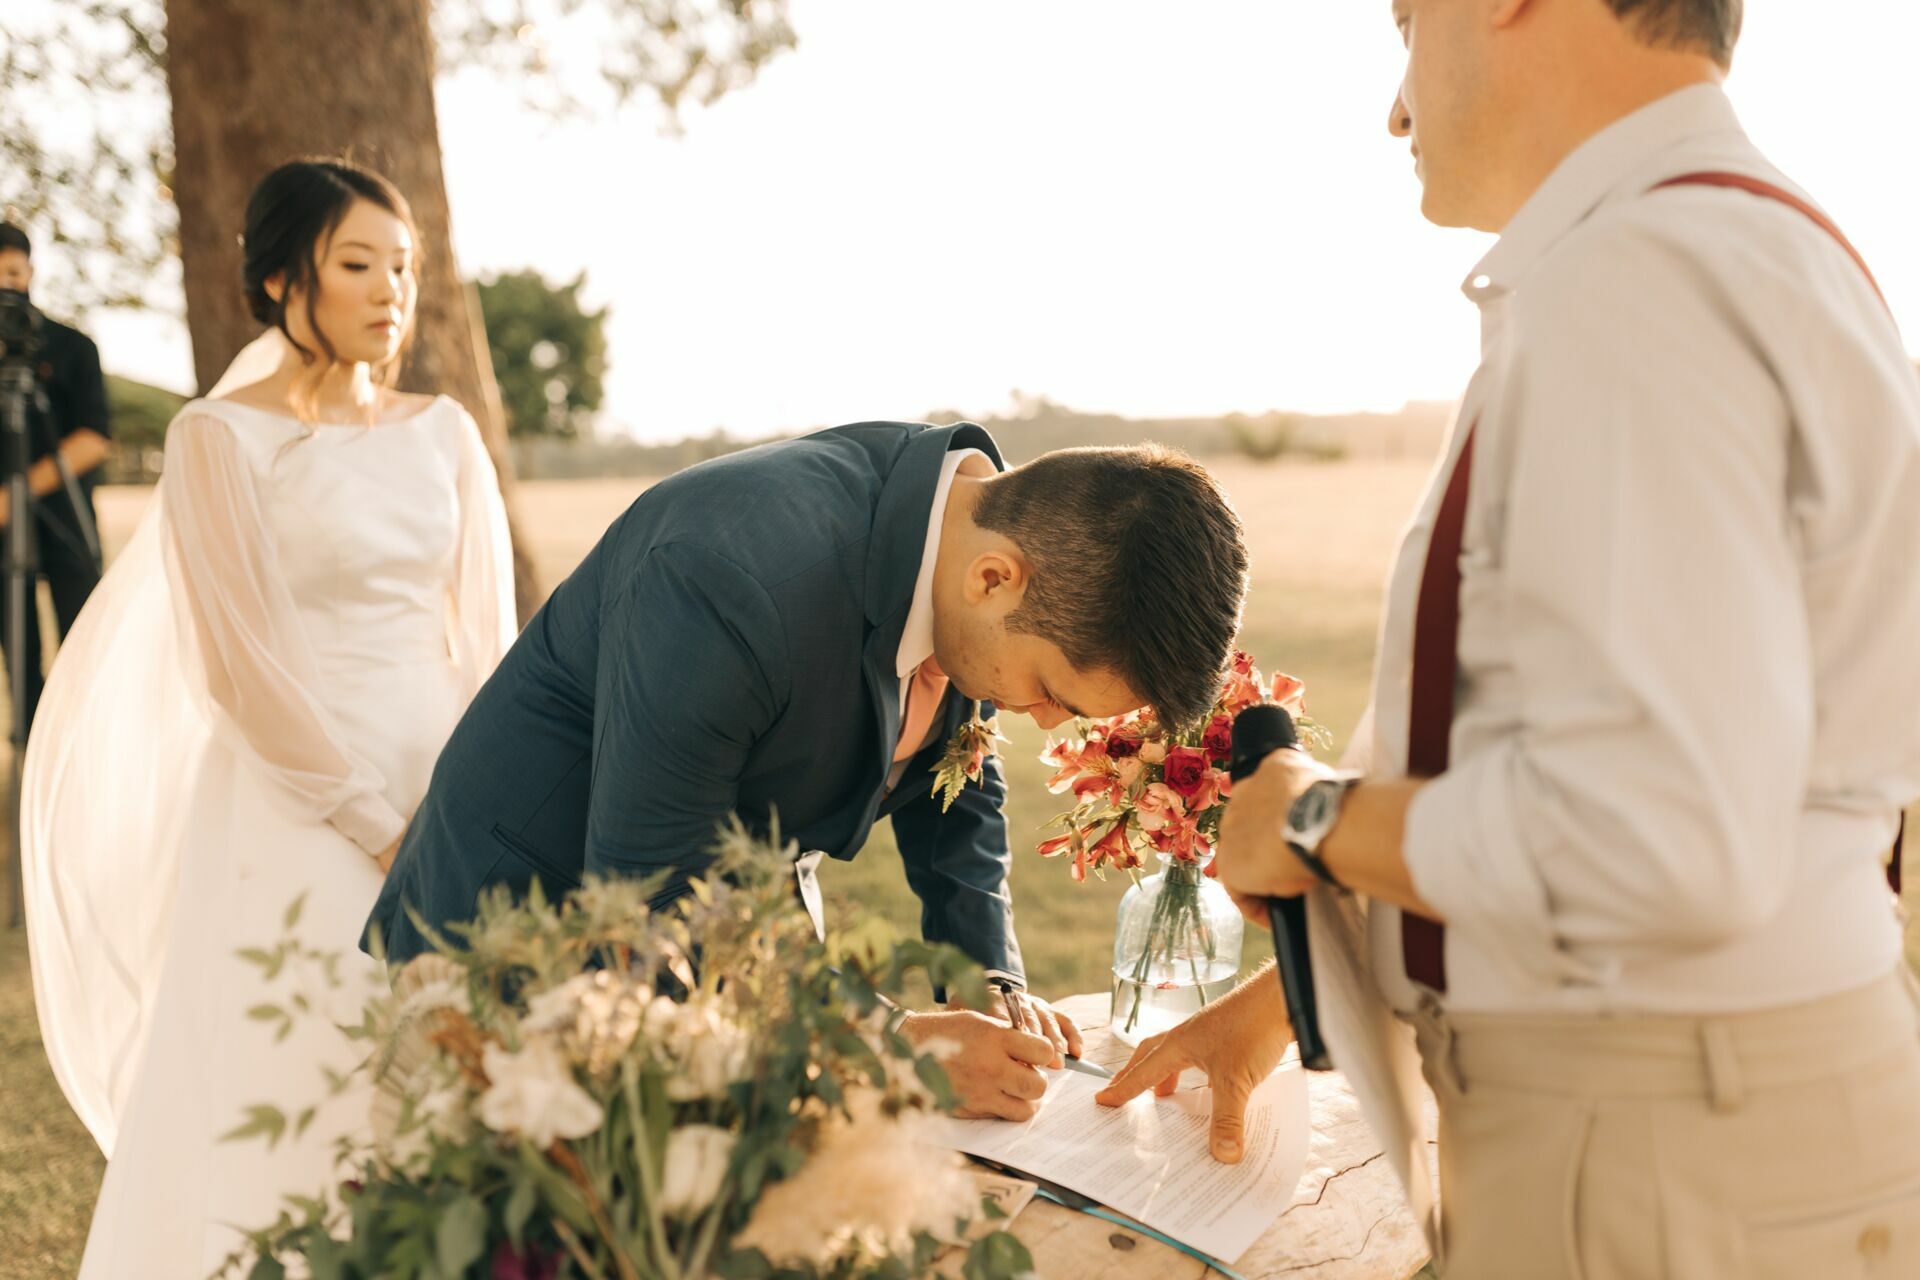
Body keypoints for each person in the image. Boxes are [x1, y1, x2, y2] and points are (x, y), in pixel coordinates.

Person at [1100, 1, 1920, 1276]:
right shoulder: (1748, 247)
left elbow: (1657, 836)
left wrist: (1311, 815)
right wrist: (1286, 999)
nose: (1396, 105)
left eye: (1406, 20)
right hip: (1708, 1115)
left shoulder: (1642, 276)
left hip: (1654, 1139)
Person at [366, 429, 1250, 1121]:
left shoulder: (985, 534)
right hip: (520, 937)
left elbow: (958, 784)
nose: (1046, 721)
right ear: (994, 580)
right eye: (1052, 692)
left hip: (735, 926)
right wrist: (893, 1042)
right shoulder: (724, 576)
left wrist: (985, 976)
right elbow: (651, 893)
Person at [21, 158, 517, 1278]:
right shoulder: (217, 436)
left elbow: (489, 647)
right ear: (287, 277)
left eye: (405, 266)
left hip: (443, 779)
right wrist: (376, 826)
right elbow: (239, 670)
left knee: (453, 1073)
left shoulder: (444, 431)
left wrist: (478, 806)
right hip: (294, 802)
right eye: (358, 264)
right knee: (308, 1064)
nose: (391, 290)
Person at [0, 222, 112, 730]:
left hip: (66, 520)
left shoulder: (72, 347)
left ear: (30, 272)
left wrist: (16, 494)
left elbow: (94, 438)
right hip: (4, 535)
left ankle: (85, 740)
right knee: (19, 656)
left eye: (13, 273)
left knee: (83, 648)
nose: (6, 286)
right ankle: (30, 740)